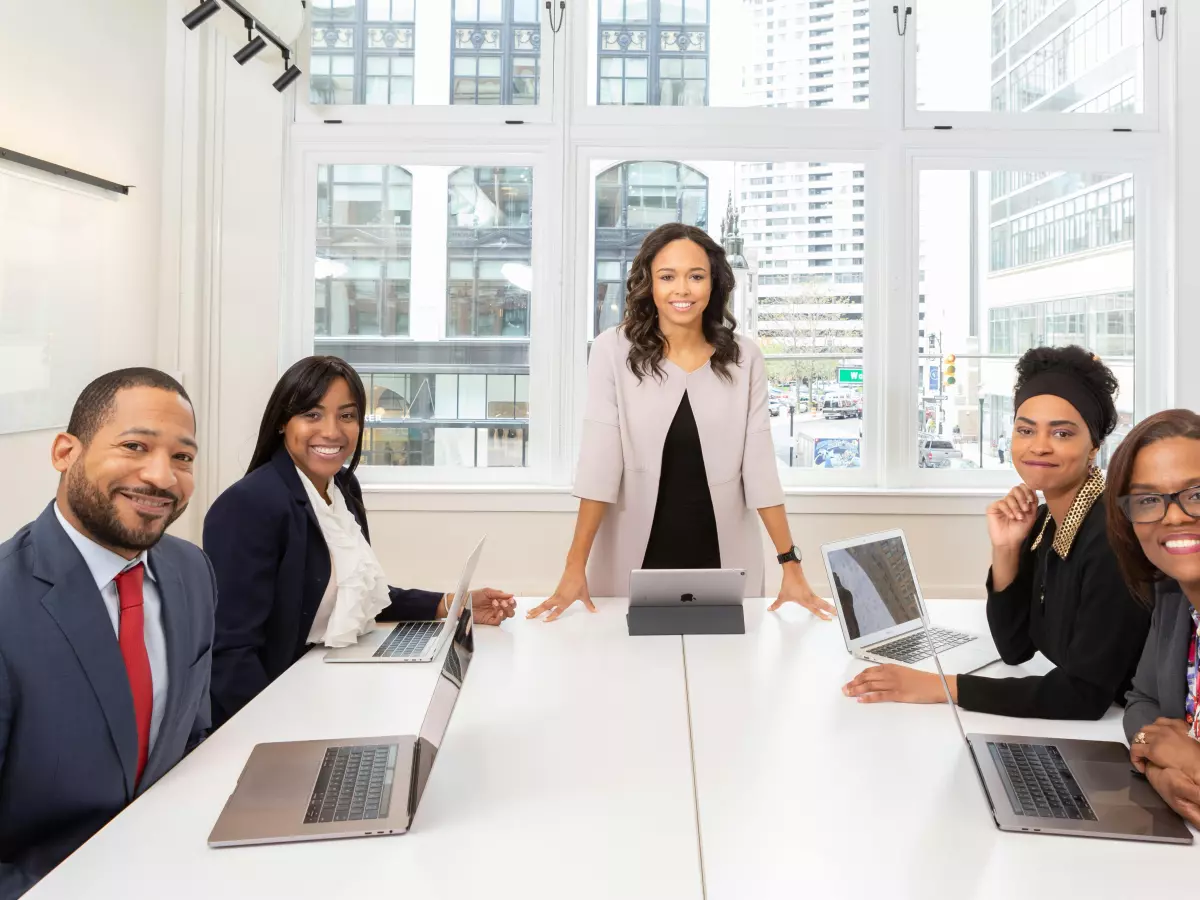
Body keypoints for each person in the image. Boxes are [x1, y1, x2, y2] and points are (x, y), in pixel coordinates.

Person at [527, 222, 832, 622]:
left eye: (696, 276)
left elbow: (760, 469)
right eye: (667, 276)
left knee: (730, 676)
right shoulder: (611, 350)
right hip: (632, 555)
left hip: (723, 557)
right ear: (648, 284)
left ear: (714, 284)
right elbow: (599, 466)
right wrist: (573, 566)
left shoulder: (745, 357)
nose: (682, 290)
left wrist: (790, 565)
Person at [203, 357, 515, 728]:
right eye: (313, 415)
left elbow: (358, 594)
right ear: (283, 422)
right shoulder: (250, 505)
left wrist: (450, 604)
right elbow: (230, 653)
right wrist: (272, 733)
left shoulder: (342, 488)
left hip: (325, 679)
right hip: (276, 704)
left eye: (347, 416)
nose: (333, 431)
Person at [843, 347, 1149, 718]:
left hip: (1134, 730)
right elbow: (1015, 647)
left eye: (1062, 432)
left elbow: (1082, 697)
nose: (1038, 445)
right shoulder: (1045, 522)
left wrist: (940, 686)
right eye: (1025, 429)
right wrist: (1006, 548)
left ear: (1094, 448)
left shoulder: (1111, 537)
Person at [0, 369, 215, 899]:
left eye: (183, 457)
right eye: (135, 445)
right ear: (64, 452)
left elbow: (193, 738)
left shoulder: (193, 572)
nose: (162, 477)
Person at [1106, 410, 1200, 827]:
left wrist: (1191, 761)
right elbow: (1141, 702)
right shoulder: (1173, 598)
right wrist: (1157, 767)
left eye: (1196, 494)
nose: (1174, 516)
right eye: (1148, 500)